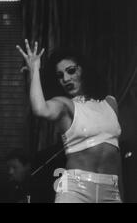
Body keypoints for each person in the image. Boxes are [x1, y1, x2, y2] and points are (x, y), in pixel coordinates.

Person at [16, 40, 122, 203]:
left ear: (83, 70)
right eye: (60, 75)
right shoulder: (66, 105)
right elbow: (40, 109)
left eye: (71, 71)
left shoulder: (110, 103)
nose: (65, 78)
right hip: (75, 190)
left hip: (111, 191)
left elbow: (116, 154)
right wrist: (34, 70)